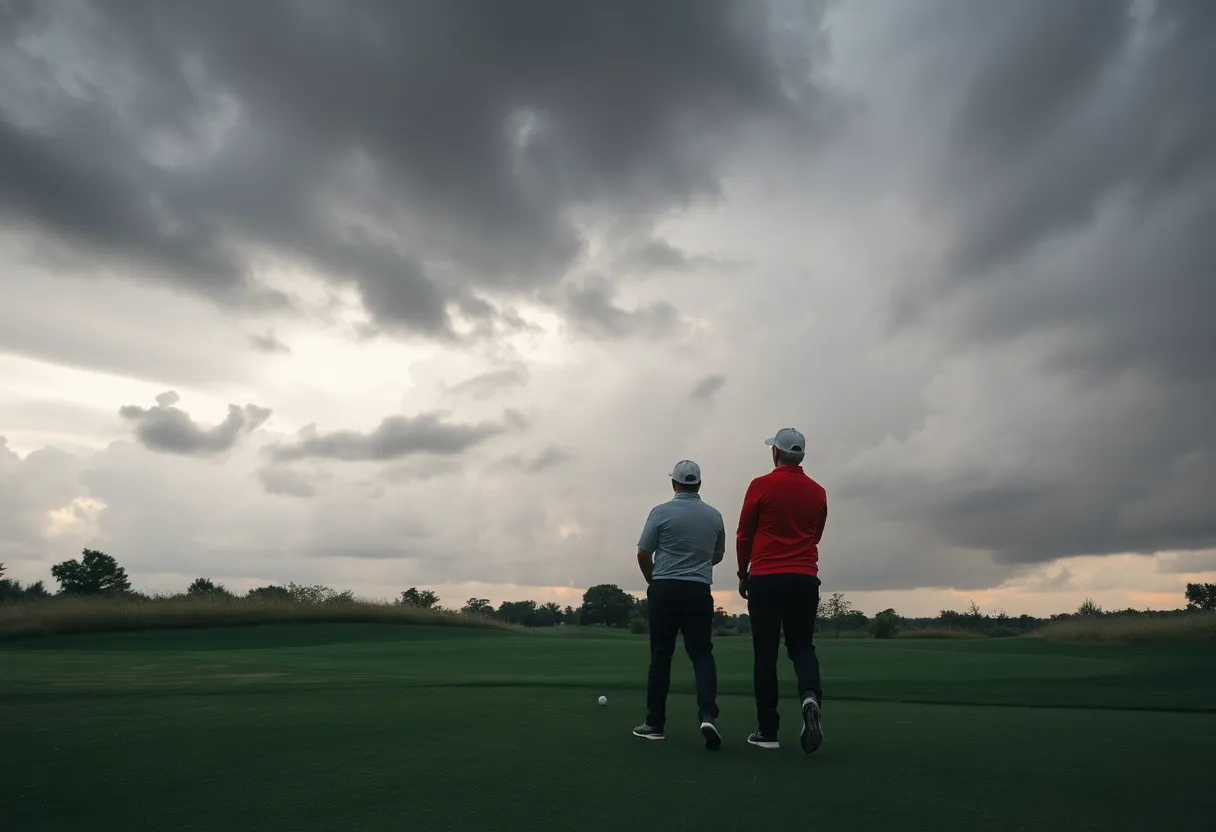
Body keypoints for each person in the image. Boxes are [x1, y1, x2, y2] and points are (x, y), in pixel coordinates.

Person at [735, 428, 827, 754]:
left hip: (766, 578)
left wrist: (742, 573)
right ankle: (810, 697)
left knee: (766, 654)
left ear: (776, 453)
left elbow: (744, 534)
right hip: (804, 578)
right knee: (802, 648)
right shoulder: (818, 492)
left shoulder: (760, 486)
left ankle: (768, 731)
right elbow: (815, 535)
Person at [631, 459, 726, 750]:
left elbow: (643, 554)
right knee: (701, 654)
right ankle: (708, 714)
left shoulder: (660, 513)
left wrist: (653, 581)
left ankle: (655, 724)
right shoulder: (714, 516)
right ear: (698, 483)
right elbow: (718, 555)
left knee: (661, 655)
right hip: (698, 590)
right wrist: (695, 566)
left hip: (665, 589)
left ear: (674, 483)